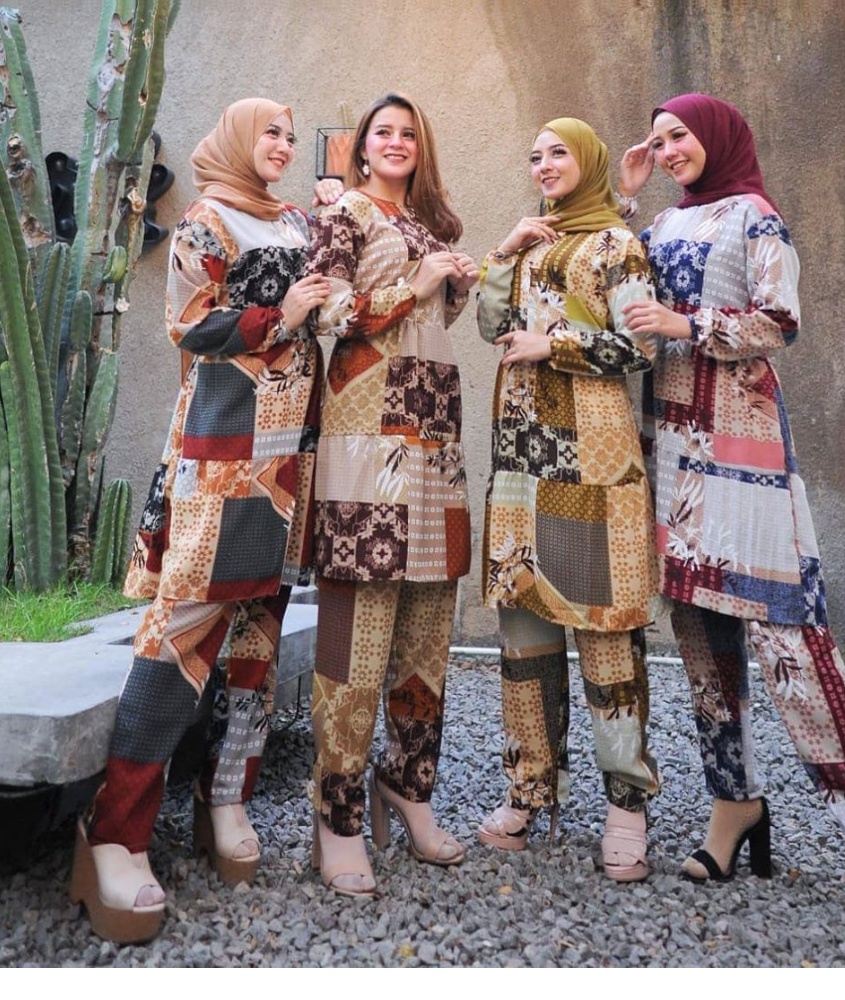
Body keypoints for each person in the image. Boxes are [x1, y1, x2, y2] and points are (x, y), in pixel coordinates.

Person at [617, 93, 845, 953]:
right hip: (670, 451)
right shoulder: (663, 225)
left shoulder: (756, 216)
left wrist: (687, 323)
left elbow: (781, 322)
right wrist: (627, 201)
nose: (668, 150)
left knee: (792, 647)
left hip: (742, 455)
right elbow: (622, 299)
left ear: (716, 137)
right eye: (659, 139)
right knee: (700, 639)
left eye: (680, 136)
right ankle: (734, 804)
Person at [69, 98, 331, 944]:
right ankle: (116, 832)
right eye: (270, 132)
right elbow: (186, 326)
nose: (283, 144)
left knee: (259, 631)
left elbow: (328, 309)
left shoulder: (294, 219)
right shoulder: (206, 220)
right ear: (236, 140)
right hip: (225, 453)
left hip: (293, 455)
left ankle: (227, 797)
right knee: (178, 634)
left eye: (289, 133)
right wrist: (282, 317)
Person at [475, 118, 662, 882]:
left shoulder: (617, 245)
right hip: (522, 465)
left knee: (606, 637)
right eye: (534, 155)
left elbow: (641, 346)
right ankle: (529, 790)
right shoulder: (532, 242)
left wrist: (552, 344)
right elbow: (490, 325)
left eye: (558, 153)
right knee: (524, 639)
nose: (544, 165)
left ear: (586, 161)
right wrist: (504, 252)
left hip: (593, 466)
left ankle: (627, 804)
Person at [304, 92, 477, 897]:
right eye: (384, 132)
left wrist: (452, 275)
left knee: (426, 633)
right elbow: (325, 310)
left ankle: (408, 789)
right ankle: (336, 816)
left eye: (410, 132)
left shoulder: (431, 225)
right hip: (365, 446)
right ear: (363, 148)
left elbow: (438, 320)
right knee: (355, 637)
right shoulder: (345, 215)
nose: (398, 141)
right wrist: (416, 283)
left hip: (435, 446)